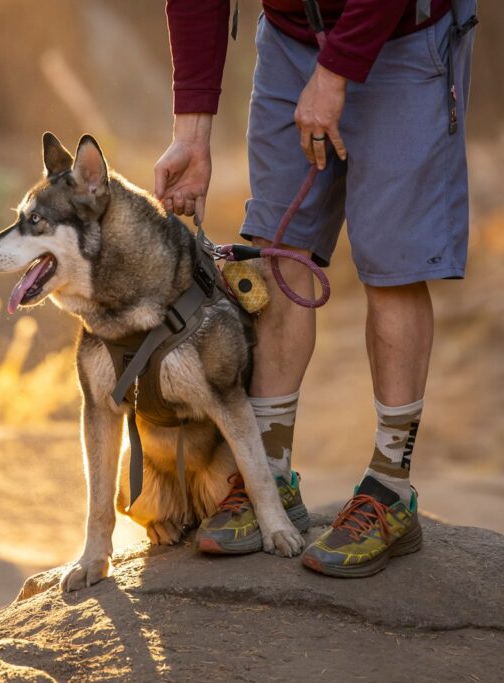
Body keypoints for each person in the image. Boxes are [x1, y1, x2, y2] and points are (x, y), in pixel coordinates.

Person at [155, 0, 476, 577]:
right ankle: (269, 476)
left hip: (405, 38)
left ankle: (390, 490)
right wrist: (192, 133)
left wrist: (335, 75)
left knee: (393, 269)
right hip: (290, 37)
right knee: (275, 256)